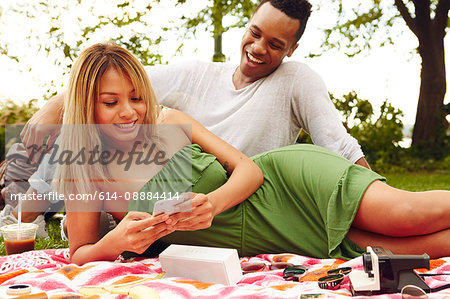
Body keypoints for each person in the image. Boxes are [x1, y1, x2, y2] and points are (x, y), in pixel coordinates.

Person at [54, 42, 448, 266]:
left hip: (291, 186)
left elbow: (248, 169)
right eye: (111, 102)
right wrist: (114, 241)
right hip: (275, 238)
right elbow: (78, 254)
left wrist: (211, 203)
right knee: (410, 250)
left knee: (408, 216)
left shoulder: (168, 121)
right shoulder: (85, 173)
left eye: (137, 96)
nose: (130, 110)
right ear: (86, 107)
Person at [9, 0, 370, 231]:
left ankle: (29, 209)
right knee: (78, 136)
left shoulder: (296, 80)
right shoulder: (197, 72)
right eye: (255, 33)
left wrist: (369, 190)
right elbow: (110, 89)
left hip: (232, 197)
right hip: (158, 194)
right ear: (246, 25)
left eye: (275, 44)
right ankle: (21, 212)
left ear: (292, 48)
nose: (259, 48)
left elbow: (338, 143)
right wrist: (51, 108)